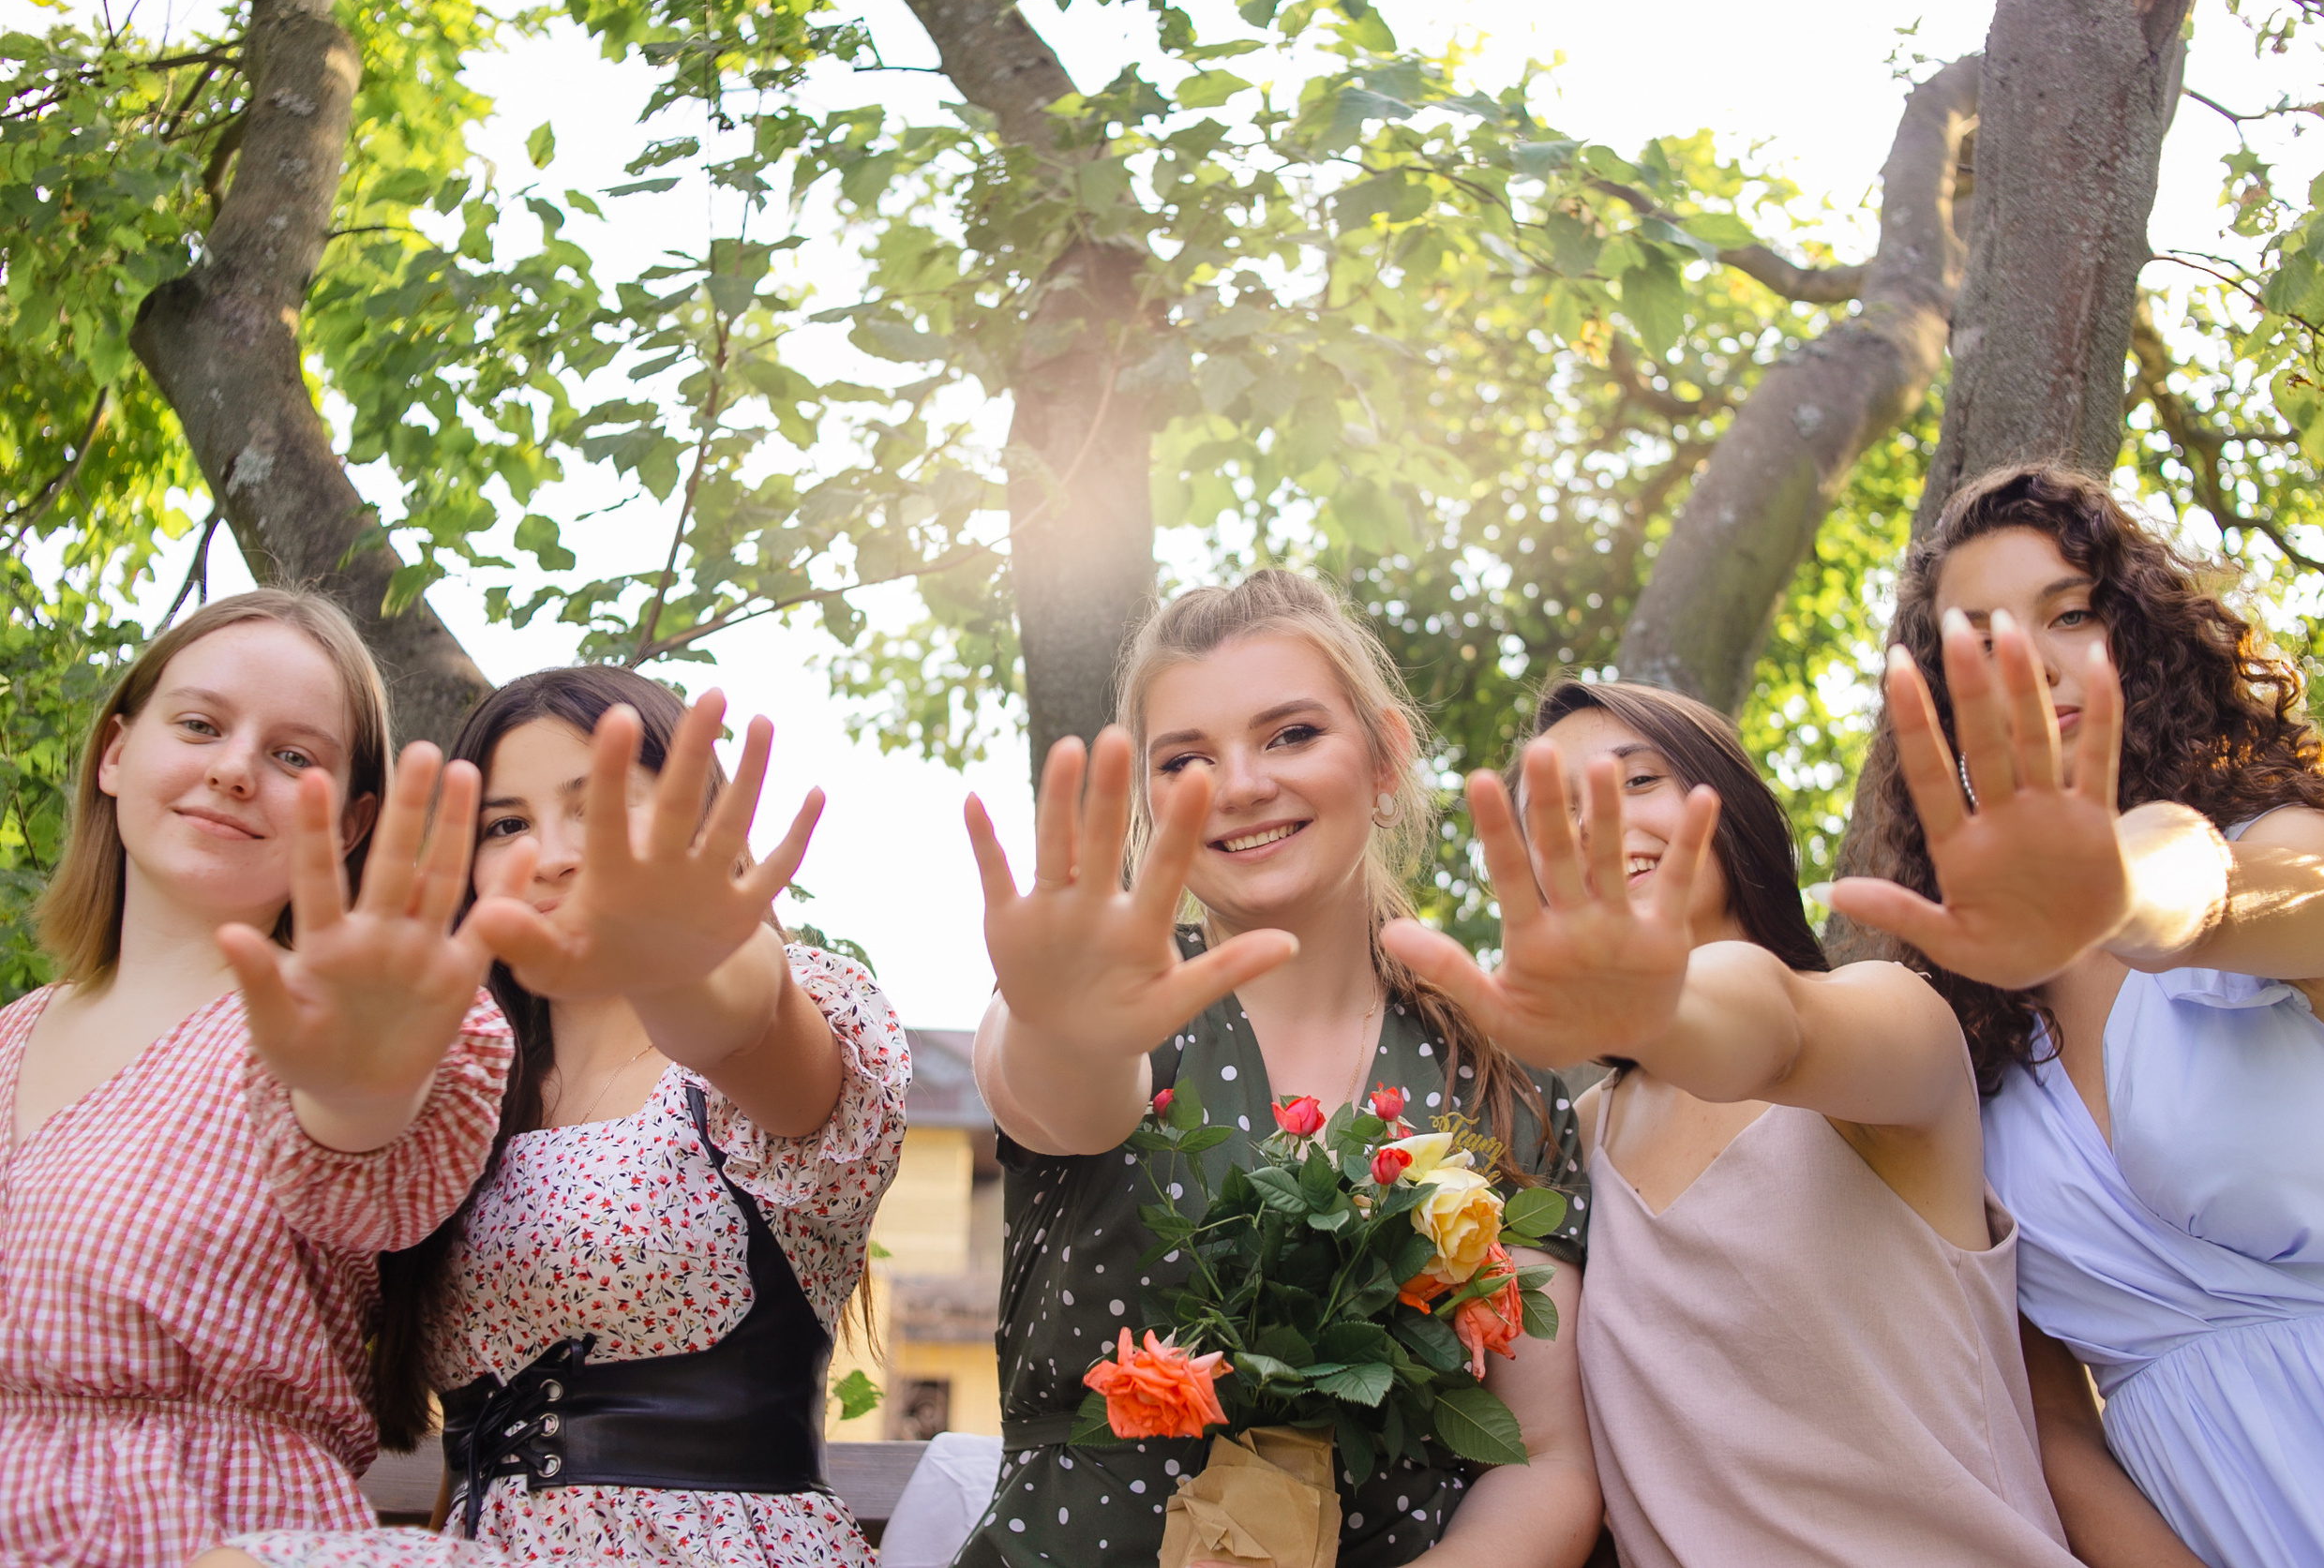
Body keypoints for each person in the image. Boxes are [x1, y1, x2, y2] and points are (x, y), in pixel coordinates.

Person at [956, 569, 1598, 1568]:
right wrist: (1063, 1027)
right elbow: (1060, 1099)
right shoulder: (1104, 1008)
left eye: (1290, 734)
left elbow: (1545, 1461)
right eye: (1186, 760)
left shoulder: (1494, 1073)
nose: (1243, 783)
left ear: (1385, 759)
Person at [210, 666, 908, 1568]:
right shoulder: (465, 1093)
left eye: (608, 808)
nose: (555, 852)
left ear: (701, 825)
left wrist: (705, 983)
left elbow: (757, 1037)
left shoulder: (774, 1037)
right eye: (507, 824)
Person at [1386, 673, 2087, 1567]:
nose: (1597, 824)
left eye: (1637, 780)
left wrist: (1658, 1010)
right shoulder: (1570, 1145)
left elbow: (1776, 1030)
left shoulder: (1882, 1017)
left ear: (1729, 805)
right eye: (1553, 817)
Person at [1834, 464, 2324, 1568]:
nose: (2033, 658)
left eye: (2070, 612)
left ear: (2139, 640)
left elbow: (2229, 893)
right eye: (1980, 636)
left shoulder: (2296, 848)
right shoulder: (1972, 1051)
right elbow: (2052, 1422)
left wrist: (2120, 898)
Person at [0, 590, 522, 1568]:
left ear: (354, 821)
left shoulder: (363, 1024)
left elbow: (363, 1147)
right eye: (199, 724)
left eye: (295, 757)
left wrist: (362, 1093)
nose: (235, 771)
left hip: (200, 1538)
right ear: (115, 752)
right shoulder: (9, 1038)